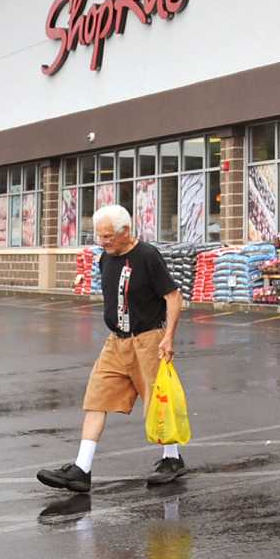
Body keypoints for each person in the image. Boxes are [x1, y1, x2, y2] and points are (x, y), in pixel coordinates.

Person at [37, 204, 186, 493]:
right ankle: (82, 469)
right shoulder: (106, 258)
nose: (102, 242)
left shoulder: (147, 256)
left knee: (158, 401)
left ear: (125, 232)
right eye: (99, 236)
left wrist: (168, 337)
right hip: (116, 341)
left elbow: (173, 296)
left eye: (107, 237)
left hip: (148, 339)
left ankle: (172, 459)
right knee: (96, 398)